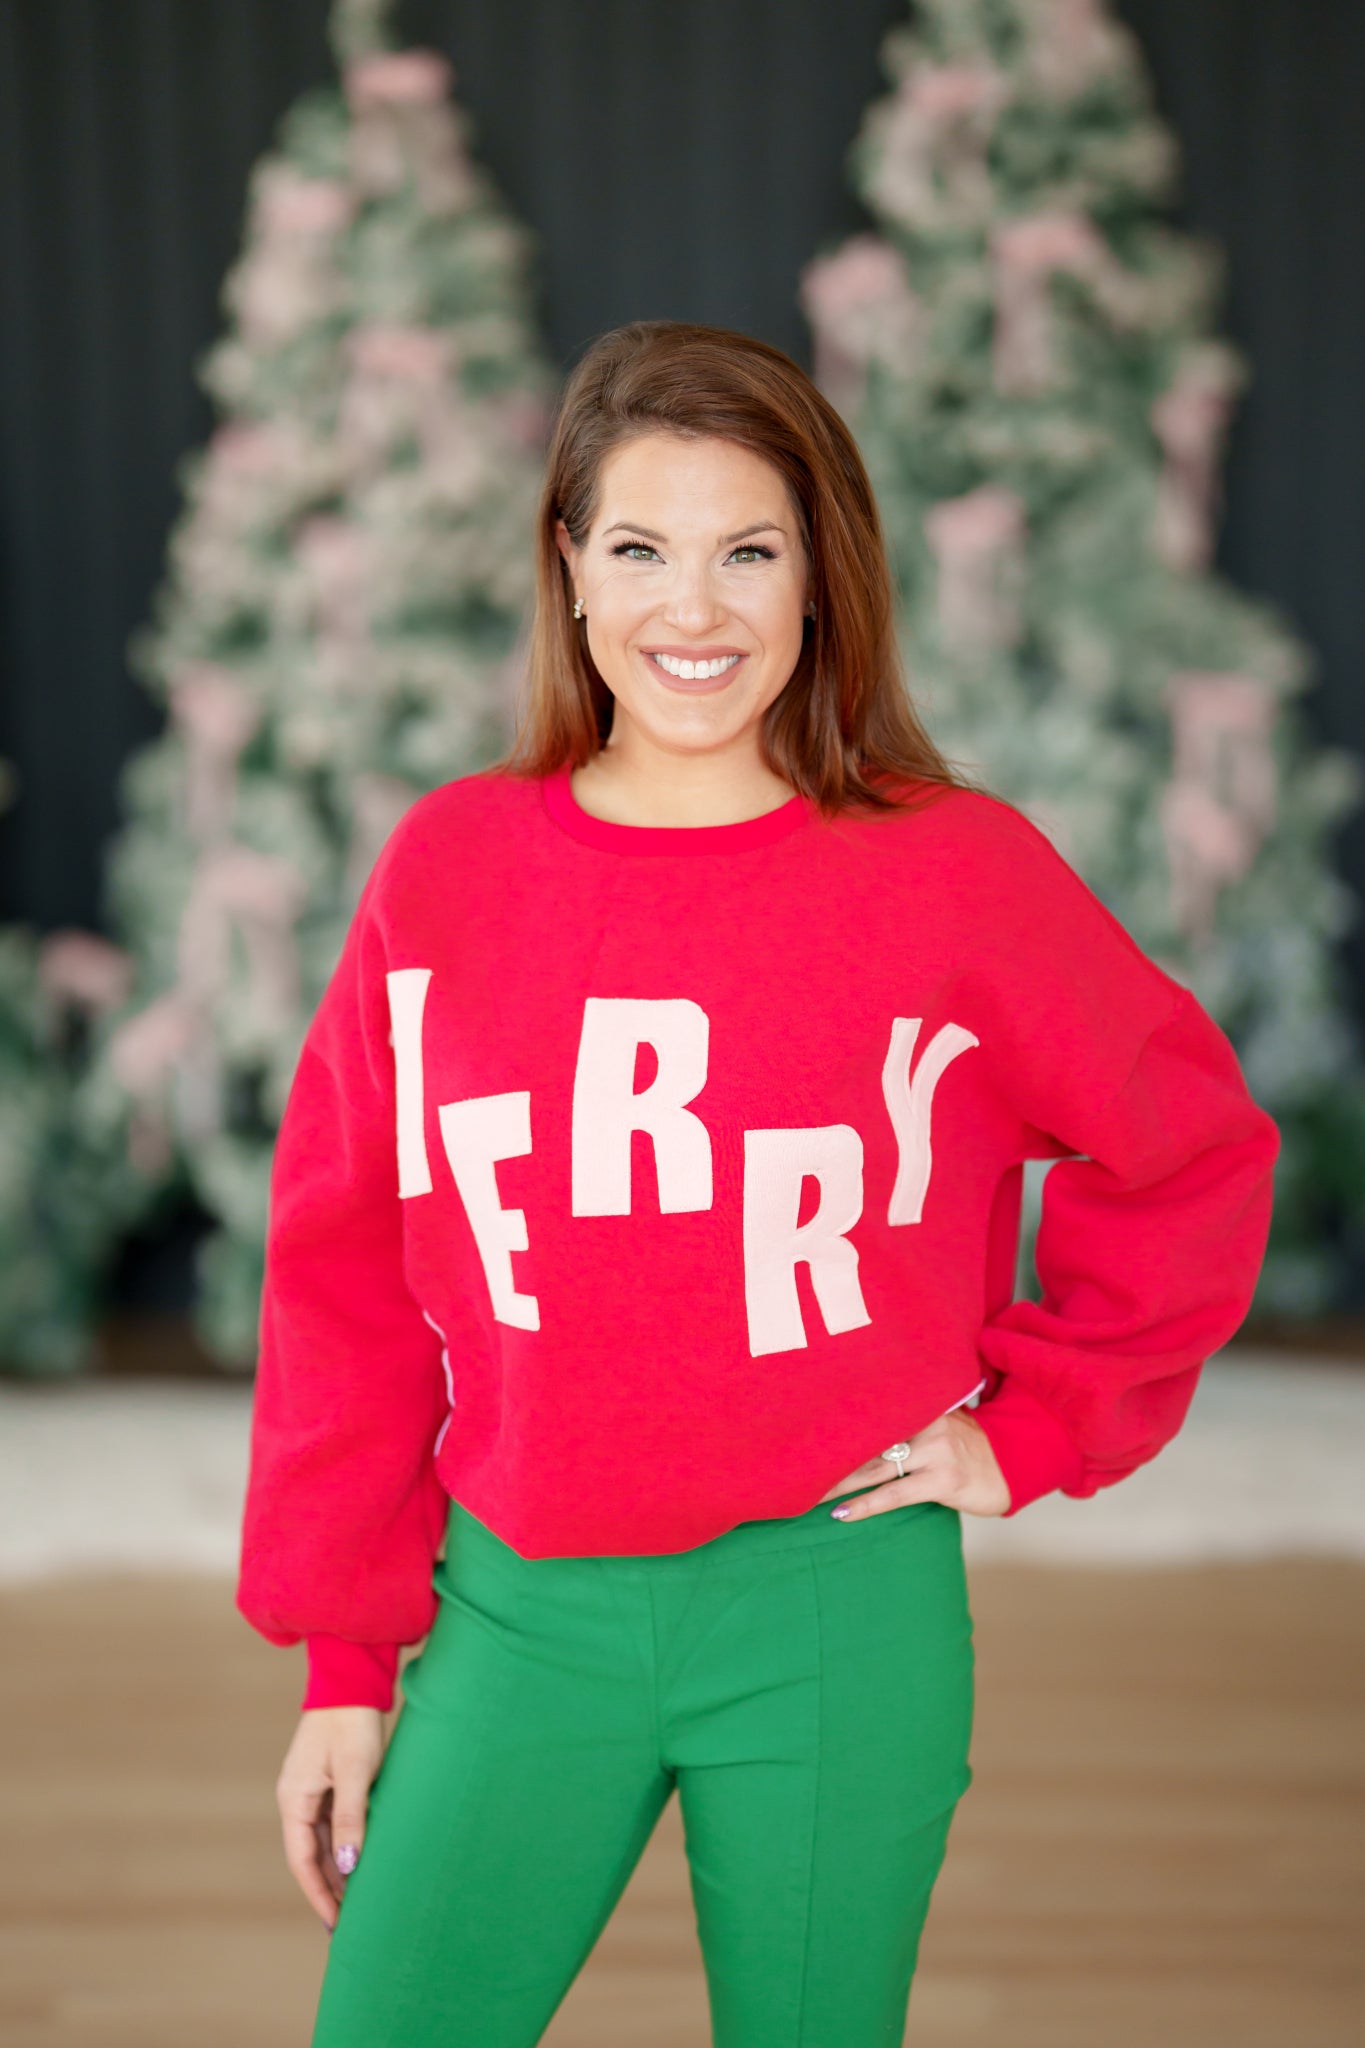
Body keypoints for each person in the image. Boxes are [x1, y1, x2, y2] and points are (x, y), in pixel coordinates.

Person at [235, 319, 1280, 2047]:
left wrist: (1035, 1422)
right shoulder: (453, 874)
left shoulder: (949, 870)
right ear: (568, 571)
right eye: (638, 549)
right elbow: (338, 1274)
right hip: (517, 1605)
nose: (692, 609)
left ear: (820, 579)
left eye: (748, 551)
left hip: (828, 1606)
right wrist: (344, 1667)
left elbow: (1186, 1146)